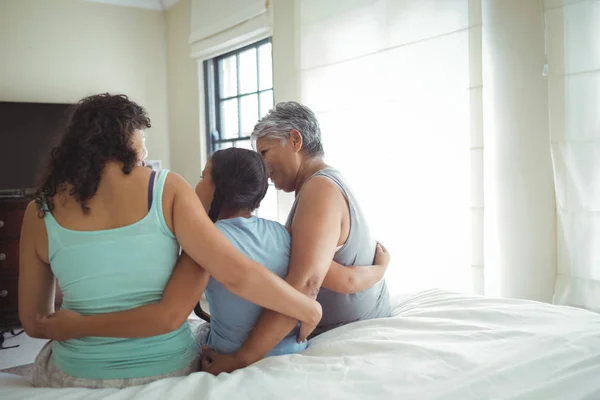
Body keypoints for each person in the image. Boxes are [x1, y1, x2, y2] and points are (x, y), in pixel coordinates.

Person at [19, 94, 322, 389]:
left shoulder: (38, 212)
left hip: (76, 372)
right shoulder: (166, 187)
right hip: (168, 368)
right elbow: (233, 276)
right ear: (124, 137)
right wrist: (309, 309)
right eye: (143, 139)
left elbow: (35, 323)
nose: (146, 152)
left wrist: (77, 324)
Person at [36, 148, 390, 361]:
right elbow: (339, 278)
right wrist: (380, 268)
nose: (196, 184)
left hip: (226, 352)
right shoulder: (286, 236)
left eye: (203, 176)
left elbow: (170, 312)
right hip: (292, 351)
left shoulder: (206, 243)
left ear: (217, 189)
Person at [202, 101, 392, 375]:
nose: (263, 169)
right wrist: (378, 271)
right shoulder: (318, 185)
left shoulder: (320, 189)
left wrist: (242, 358)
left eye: (264, 152)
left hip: (354, 327)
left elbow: (306, 285)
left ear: (295, 140)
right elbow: (331, 274)